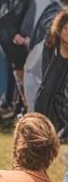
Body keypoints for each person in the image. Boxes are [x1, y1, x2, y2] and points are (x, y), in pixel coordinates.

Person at [0, 0, 36, 111]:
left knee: (20, 74)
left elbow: (28, 20)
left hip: (18, 43)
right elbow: (1, 18)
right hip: (4, 41)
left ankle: (22, 105)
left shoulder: (28, 0)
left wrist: (22, 35)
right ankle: (7, 102)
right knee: (7, 71)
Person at [32, 9, 68, 138]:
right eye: (67, 29)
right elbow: (45, 80)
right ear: (59, 29)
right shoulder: (50, 47)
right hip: (47, 98)